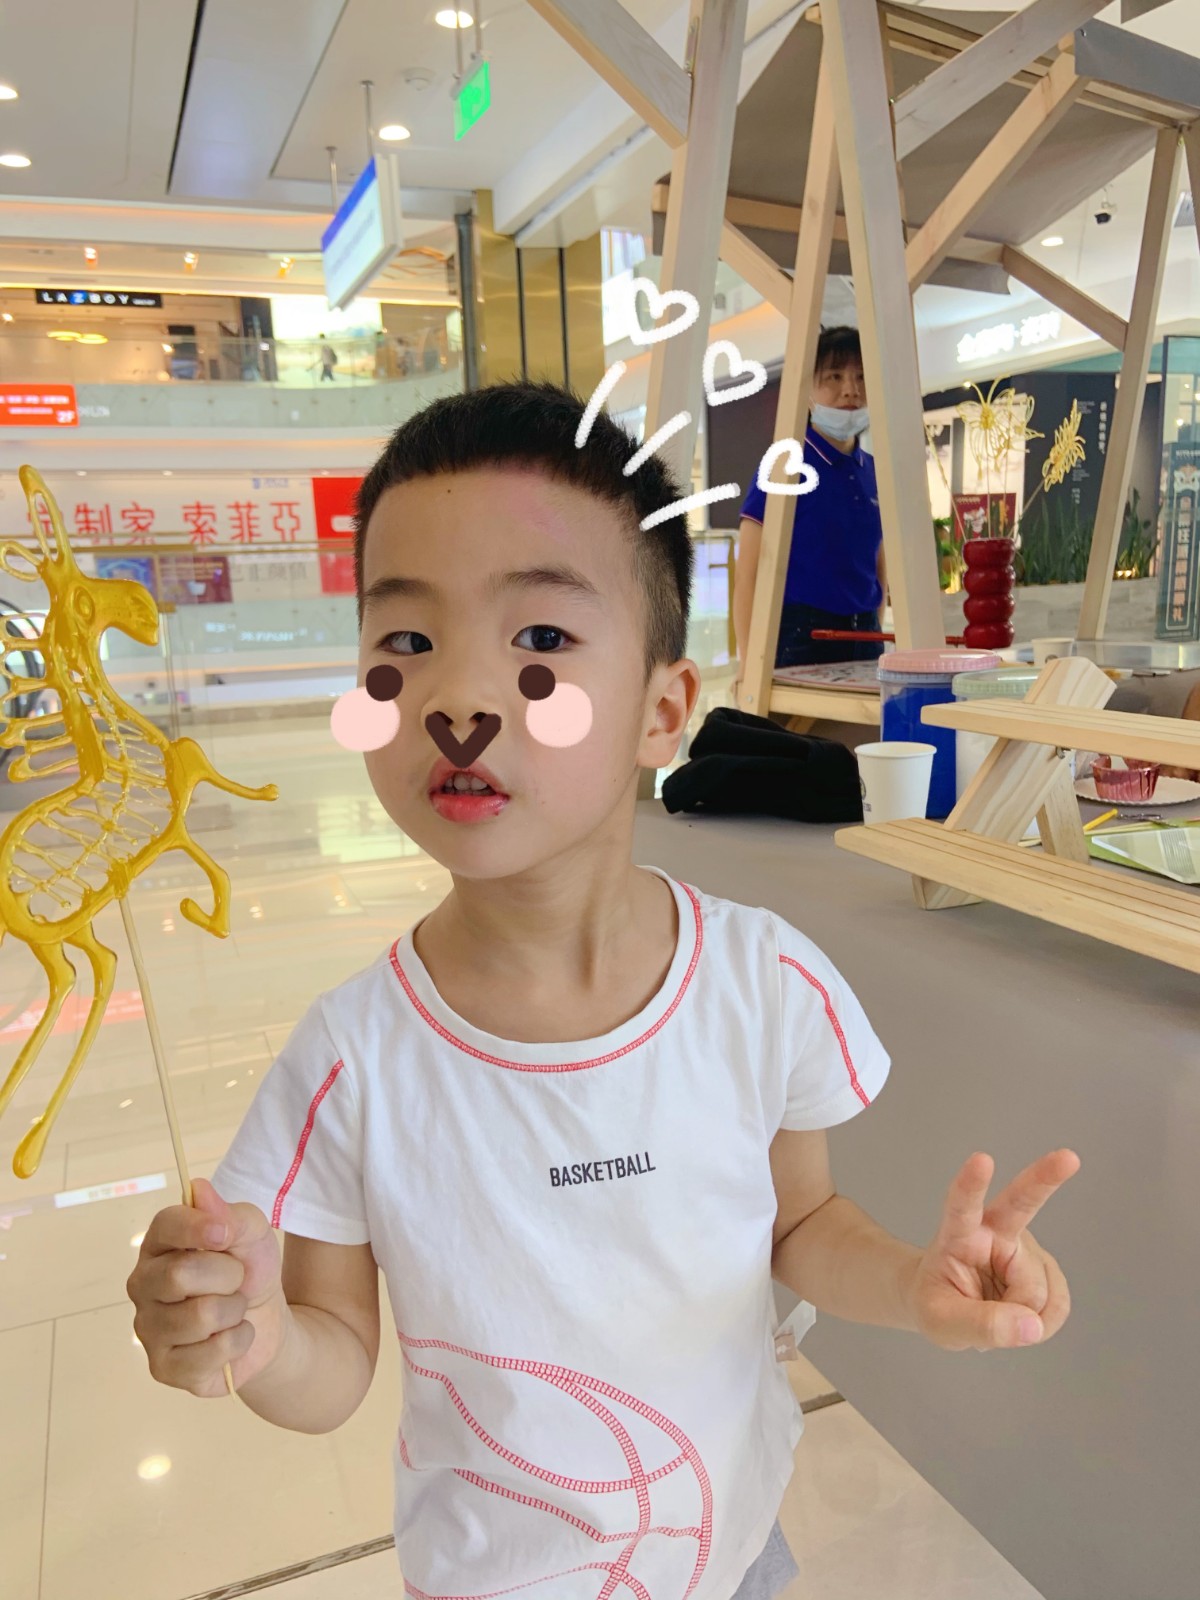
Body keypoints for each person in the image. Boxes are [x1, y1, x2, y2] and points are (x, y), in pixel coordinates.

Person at [126, 381, 1078, 1600]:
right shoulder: (353, 1058)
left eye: (539, 639)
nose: (457, 700)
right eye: (404, 644)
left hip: (732, 1549)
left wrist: (912, 1284)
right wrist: (253, 1334)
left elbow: (797, 1226)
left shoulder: (761, 982)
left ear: (663, 710)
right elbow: (337, 1354)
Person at [734, 326, 887, 679]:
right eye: (834, 376)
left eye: (861, 377)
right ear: (806, 391)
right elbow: (748, 574)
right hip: (802, 637)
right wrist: (748, 662)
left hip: (867, 634)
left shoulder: (874, 470)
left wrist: (874, 626)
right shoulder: (785, 463)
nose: (851, 389)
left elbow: (878, 564)